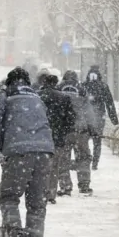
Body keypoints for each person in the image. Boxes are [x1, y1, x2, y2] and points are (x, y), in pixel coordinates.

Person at [0, 67, 55, 237]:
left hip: (18, 152)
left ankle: (14, 231)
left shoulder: (5, 96)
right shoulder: (37, 97)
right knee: (37, 201)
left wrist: (4, 145)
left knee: (9, 197)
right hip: (45, 152)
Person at [58, 71, 99, 196]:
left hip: (63, 131)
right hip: (81, 131)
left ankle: (65, 187)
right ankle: (84, 185)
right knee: (83, 158)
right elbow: (89, 112)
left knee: (62, 158)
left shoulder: (58, 88)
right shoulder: (81, 89)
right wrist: (93, 128)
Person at [37, 74, 76, 204]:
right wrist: (63, 131)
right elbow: (71, 119)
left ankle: (39, 192)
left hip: (39, 136)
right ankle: (51, 193)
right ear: (56, 83)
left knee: (39, 166)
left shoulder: (36, 96)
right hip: (57, 137)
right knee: (54, 166)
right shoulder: (64, 97)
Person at [83, 65, 119, 170]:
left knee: (83, 139)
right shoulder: (103, 86)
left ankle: (86, 160)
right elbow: (109, 103)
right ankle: (95, 163)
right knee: (97, 140)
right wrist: (114, 120)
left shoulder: (83, 86)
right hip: (99, 116)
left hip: (85, 117)